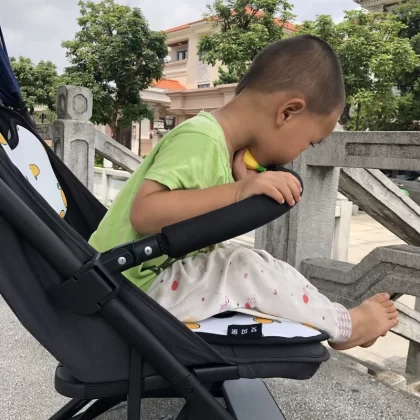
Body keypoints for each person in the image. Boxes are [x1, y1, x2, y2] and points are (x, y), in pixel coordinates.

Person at [89, 35, 398, 350]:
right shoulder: (200, 138)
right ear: (288, 112)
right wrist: (239, 191)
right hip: (128, 285)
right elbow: (146, 213)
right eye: (310, 142)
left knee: (259, 263)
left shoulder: (219, 149)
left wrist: (238, 185)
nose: (299, 153)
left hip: (145, 283)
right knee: (243, 268)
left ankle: (333, 319)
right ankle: (344, 326)